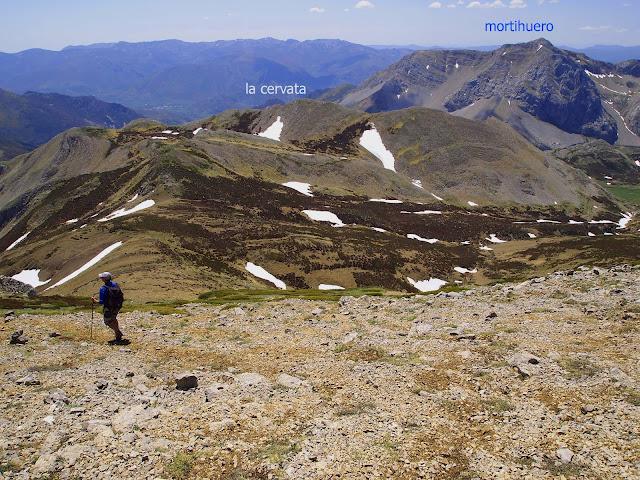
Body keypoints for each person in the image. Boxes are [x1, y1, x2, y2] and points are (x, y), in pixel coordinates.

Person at [91, 272, 125, 343]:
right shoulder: (115, 284)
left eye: (102, 277)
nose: (101, 278)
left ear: (104, 279)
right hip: (117, 305)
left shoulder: (103, 288)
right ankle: (117, 334)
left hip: (109, 307)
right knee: (113, 318)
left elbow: (101, 302)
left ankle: (118, 333)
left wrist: (94, 301)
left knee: (107, 321)